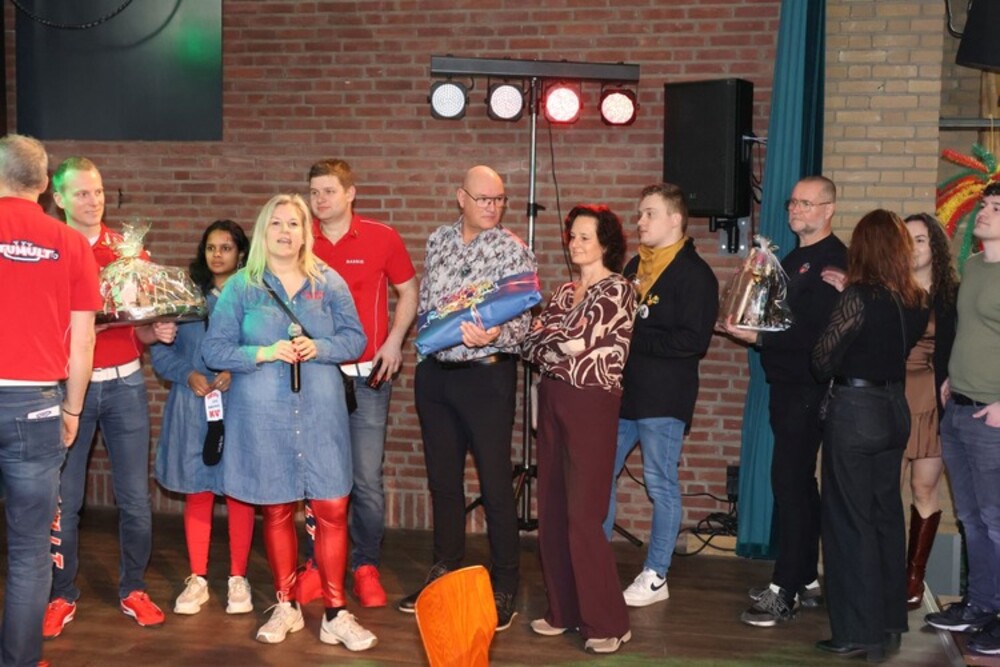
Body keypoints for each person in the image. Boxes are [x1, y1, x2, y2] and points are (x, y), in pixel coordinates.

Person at [201, 194, 376, 651]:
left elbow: (356, 339)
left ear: (306, 232)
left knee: (332, 507)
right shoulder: (242, 287)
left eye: (293, 224)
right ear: (264, 231)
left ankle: (336, 612)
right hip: (263, 418)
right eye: (276, 223)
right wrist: (261, 352)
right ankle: (286, 604)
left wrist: (321, 347)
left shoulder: (328, 281)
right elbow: (213, 350)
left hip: (321, 415)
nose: (285, 231)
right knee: (277, 509)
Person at [399, 165, 537, 631]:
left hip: (486, 376)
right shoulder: (438, 240)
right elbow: (429, 302)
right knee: (443, 482)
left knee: (496, 485)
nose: (493, 207)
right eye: (484, 199)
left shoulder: (513, 248)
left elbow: (525, 319)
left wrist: (498, 333)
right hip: (436, 376)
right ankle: (444, 571)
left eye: (499, 200)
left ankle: (504, 585)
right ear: (461, 198)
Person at [44, 157, 176, 638]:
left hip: (125, 385)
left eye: (98, 191)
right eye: (82, 193)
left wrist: (155, 331)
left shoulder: (128, 249)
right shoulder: (48, 248)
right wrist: (89, 326)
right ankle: (61, 594)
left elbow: (138, 328)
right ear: (58, 198)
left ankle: (134, 588)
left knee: (135, 498)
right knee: (65, 500)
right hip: (68, 387)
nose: (93, 200)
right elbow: (44, 323)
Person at [723, 175, 847, 626]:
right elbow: (775, 316)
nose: (796, 209)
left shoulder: (835, 260)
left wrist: (757, 337)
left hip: (809, 388)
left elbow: (813, 333)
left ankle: (784, 591)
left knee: (790, 484)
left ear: (829, 209)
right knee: (799, 486)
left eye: (806, 203)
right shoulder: (791, 260)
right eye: (793, 202)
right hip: (785, 385)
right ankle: (807, 578)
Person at [295, 159, 417, 608]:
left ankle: (365, 566)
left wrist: (394, 341)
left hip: (369, 377)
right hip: (315, 377)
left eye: (328, 191)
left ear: (350, 193)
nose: (320, 200)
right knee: (317, 478)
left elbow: (409, 290)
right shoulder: (299, 240)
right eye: (314, 192)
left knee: (365, 479)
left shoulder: (382, 237)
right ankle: (316, 565)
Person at [0, 134, 100, 667]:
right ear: (44, 185)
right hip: (36, 407)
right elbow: (83, 342)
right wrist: (73, 409)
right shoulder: (72, 244)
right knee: (28, 553)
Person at [811, 209, 928, 661]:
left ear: (862, 248)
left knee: (848, 523)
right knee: (886, 517)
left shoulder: (857, 297)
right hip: (895, 409)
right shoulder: (916, 299)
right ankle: (889, 621)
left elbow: (821, 361)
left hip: (855, 412)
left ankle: (855, 632)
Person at [523, 205, 636, 654]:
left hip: (591, 402)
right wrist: (556, 343)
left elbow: (579, 338)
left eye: (586, 237)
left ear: (606, 243)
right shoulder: (565, 290)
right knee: (551, 510)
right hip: (553, 398)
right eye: (573, 236)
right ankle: (564, 611)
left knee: (583, 515)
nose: (576, 244)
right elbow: (533, 343)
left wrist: (554, 341)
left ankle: (609, 622)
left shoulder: (619, 289)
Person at [602, 183, 718, 607]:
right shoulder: (636, 265)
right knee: (601, 473)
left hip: (665, 397)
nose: (640, 222)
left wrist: (633, 338)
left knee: (660, 483)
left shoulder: (695, 274)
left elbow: (693, 340)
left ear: (675, 219)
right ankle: (595, 560)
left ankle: (656, 574)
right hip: (625, 393)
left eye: (649, 213)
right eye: (639, 214)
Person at [151, 220, 257, 616]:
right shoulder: (184, 296)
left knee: (240, 489)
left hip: (240, 406)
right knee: (198, 489)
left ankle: (238, 578)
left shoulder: (254, 296)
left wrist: (235, 369)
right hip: (193, 406)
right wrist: (187, 374)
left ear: (241, 254)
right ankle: (197, 578)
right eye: (211, 247)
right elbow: (161, 352)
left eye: (226, 247)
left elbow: (264, 349)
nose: (217, 254)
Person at [924, 182, 1000, 656]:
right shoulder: (972, 266)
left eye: (997, 207)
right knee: (971, 517)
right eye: (985, 204)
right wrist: (953, 376)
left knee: (996, 520)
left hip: (992, 417)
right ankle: (981, 605)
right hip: (959, 409)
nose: (985, 212)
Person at [900, 213, 958, 610]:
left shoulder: (952, 296)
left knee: (924, 488)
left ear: (934, 246)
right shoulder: (888, 290)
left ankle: (913, 578)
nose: (912, 247)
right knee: (884, 490)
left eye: (920, 239)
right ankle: (881, 570)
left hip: (933, 401)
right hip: (889, 397)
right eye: (905, 239)